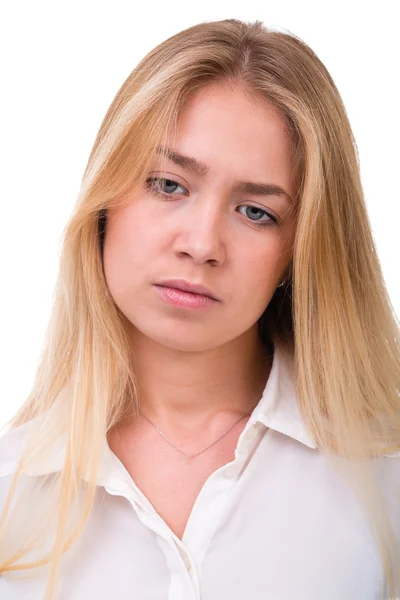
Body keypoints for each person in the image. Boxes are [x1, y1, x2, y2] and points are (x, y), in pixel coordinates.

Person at [0, 18, 399, 600]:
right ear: (104, 201)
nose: (202, 244)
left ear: (300, 248)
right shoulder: (11, 491)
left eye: (255, 212)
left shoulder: (384, 473)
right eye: (168, 185)